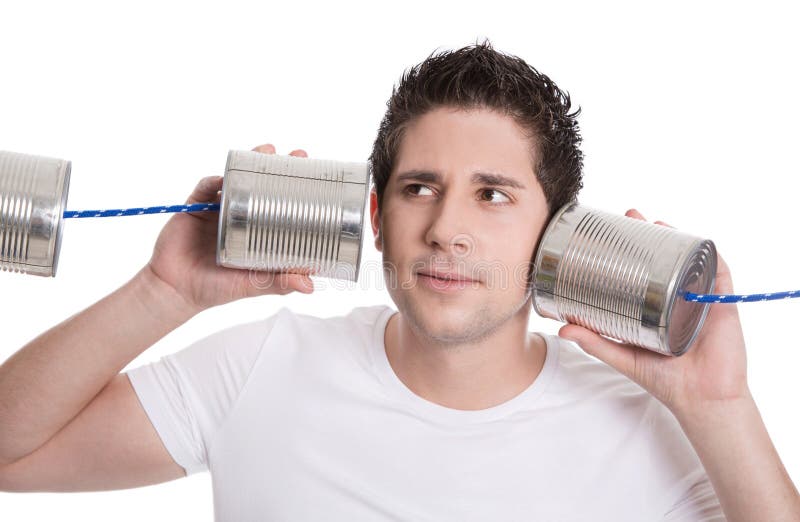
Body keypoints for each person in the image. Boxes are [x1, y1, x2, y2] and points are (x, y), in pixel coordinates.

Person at [0, 40, 798, 521]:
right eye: (421, 187)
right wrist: (163, 293)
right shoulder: (259, 368)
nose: (446, 226)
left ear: (556, 230)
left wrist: (718, 406)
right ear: (377, 216)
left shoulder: (644, 428)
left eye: (493, 195)